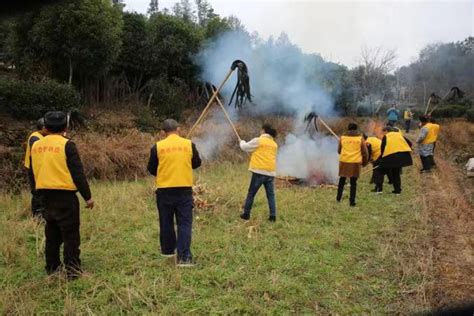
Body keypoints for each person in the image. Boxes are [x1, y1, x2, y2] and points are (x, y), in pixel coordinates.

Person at [30, 111, 94, 279]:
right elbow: (77, 174)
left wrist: (36, 194)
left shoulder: (36, 145)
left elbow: (32, 172)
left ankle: (52, 268)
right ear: (65, 126)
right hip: (65, 196)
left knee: (51, 233)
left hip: (44, 194)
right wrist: (88, 197)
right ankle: (73, 271)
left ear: (46, 127)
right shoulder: (67, 145)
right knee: (70, 234)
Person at [147, 119, 201, 267]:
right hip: (184, 189)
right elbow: (197, 163)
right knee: (184, 223)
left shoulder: (157, 147)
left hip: (164, 190)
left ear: (163, 132)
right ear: (178, 129)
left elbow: (151, 169)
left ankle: (168, 251)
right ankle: (184, 258)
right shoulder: (189, 144)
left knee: (166, 221)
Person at [239, 124, 278, 221]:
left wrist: (241, 141)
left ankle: (246, 214)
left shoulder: (258, 140)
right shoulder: (274, 144)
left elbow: (245, 147)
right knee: (270, 195)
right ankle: (272, 216)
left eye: (261, 130)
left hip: (259, 172)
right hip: (270, 172)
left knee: (251, 193)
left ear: (264, 131)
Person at [336, 123, 368, 207]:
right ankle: (352, 202)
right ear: (356, 129)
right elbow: (365, 153)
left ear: (348, 129)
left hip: (344, 161)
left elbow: (339, 150)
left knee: (342, 180)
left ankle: (338, 198)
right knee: (353, 183)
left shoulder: (342, 138)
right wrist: (364, 163)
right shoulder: (360, 138)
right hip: (355, 162)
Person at [379, 126, 413, 194]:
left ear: (386, 131)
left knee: (391, 172)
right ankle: (397, 190)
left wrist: (382, 158)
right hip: (402, 155)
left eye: (384, 132)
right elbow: (410, 143)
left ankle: (381, 189)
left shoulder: (386, 136)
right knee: (396, 173)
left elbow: (383, 148)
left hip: (391, 156)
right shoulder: (399, 134)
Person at [24, 117, 47, 217]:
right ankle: (37, 215)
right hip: (34, 168)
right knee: (37, 192)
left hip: (38, 168)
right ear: (42, 128)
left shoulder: (41, 136)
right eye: (47, 127)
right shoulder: (35, 138)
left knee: (40, 192)